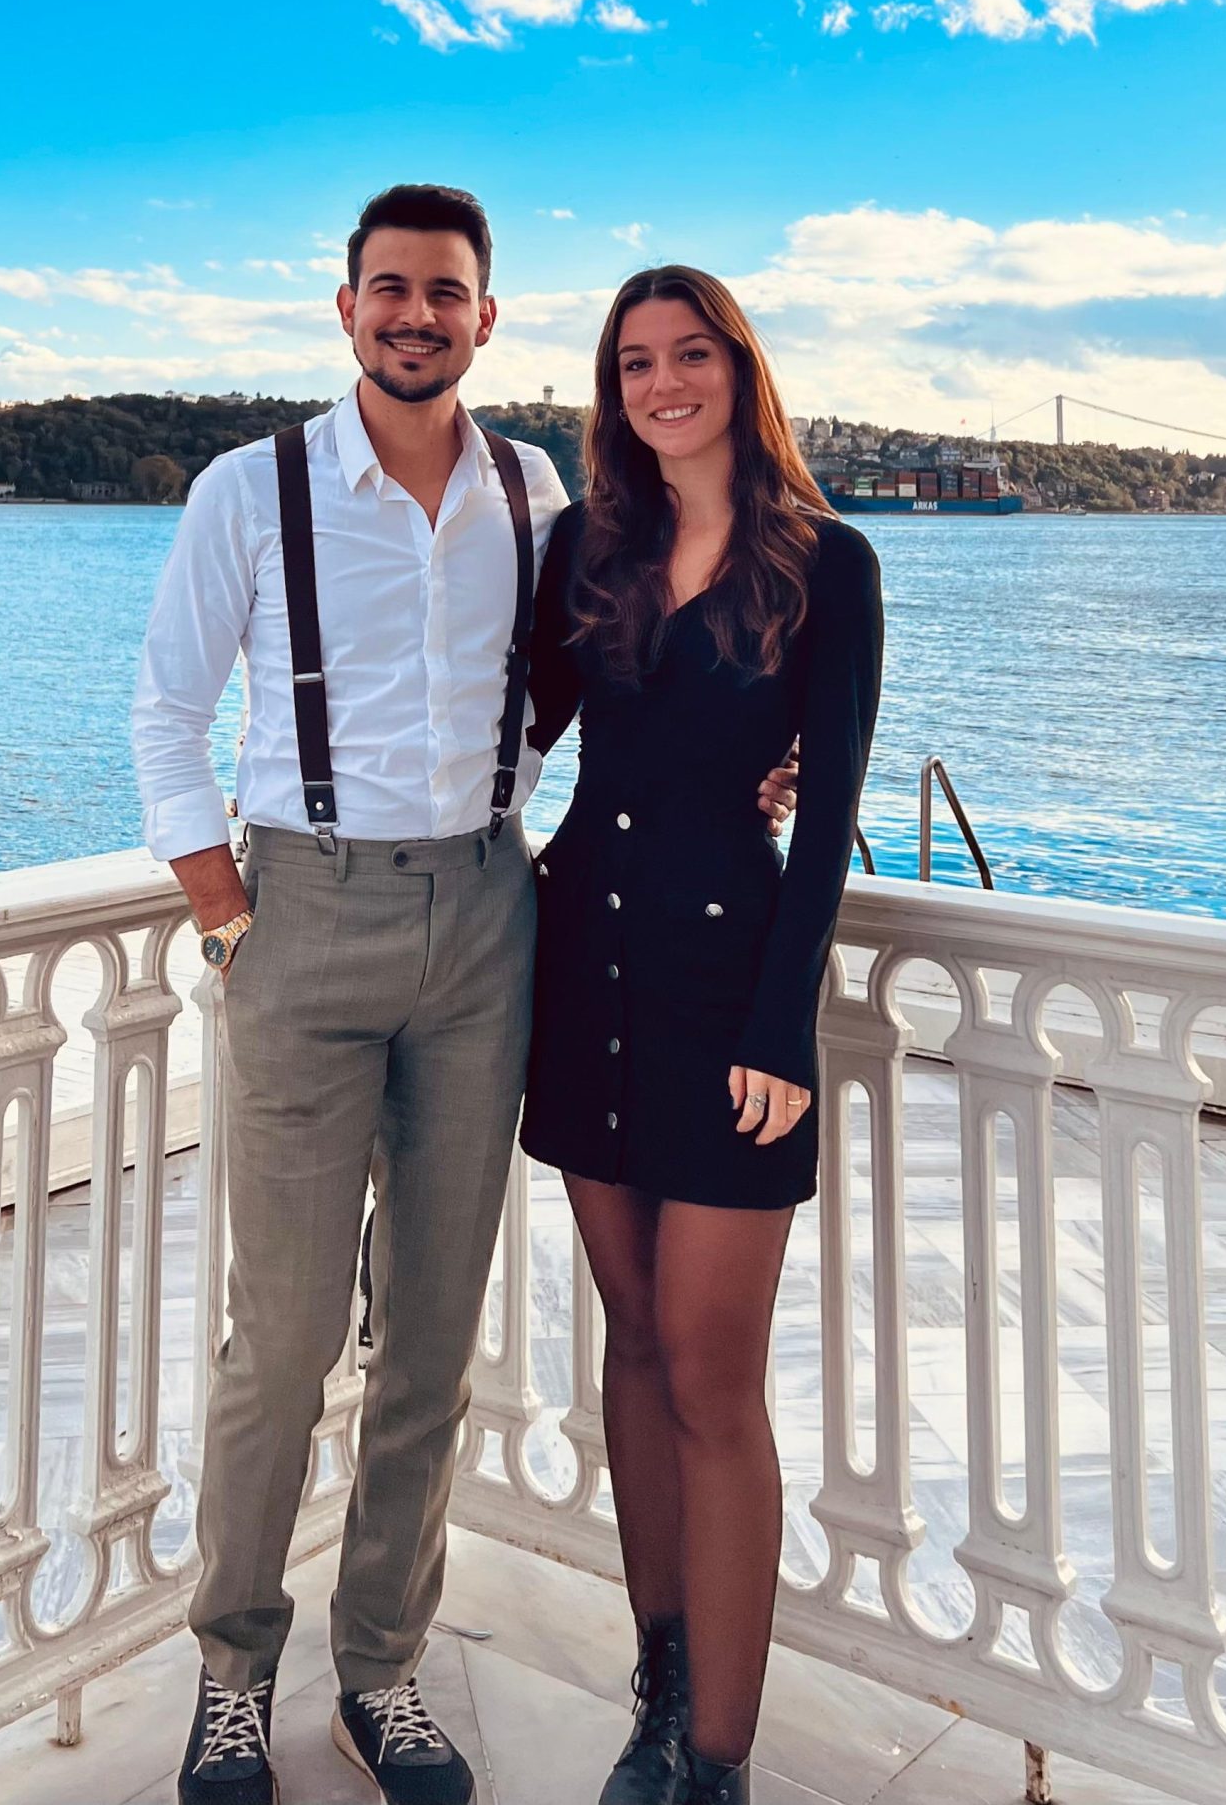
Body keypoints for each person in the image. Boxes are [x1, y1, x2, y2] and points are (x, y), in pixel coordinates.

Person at [132, 187, 794, 1805]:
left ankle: (382, 1668)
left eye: (446, 292)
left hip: (491, 916)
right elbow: (165, 711)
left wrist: (748, 759)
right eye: (391, 288)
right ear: (346, 307)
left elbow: (596, 683)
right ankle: (234, 1674)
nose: (416, 314)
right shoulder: (251, 488)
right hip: (304, 912)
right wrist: (227, 915)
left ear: (485, 319)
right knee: (282, 1339)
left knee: (431, 1338)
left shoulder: (533, 489)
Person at [521, 266, 883, 1805]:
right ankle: (659, 1694)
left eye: (689, 356)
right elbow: (511, 723)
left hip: (729, 994)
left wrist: (781, 1031)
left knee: (711, 1373)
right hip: (581, 970)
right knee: (634, 1337)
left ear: (739, 369)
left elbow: (831, 813)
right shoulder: (583, 547)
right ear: (612, 388)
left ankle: (719, 1758)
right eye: (634, 362)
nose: (663, 384)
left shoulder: (827, 561)